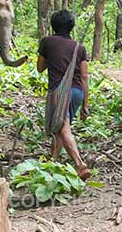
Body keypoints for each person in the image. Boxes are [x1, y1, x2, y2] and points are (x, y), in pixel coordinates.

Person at [37, 10, 91, 180]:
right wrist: (85, 105)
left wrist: (51, 58)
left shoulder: (47, 42)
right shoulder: (79, 47)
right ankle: (52, 162)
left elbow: (40, 68)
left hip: (59, 92)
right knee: (60, 129)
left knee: (63, 127)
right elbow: (84, 76)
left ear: (53, 25)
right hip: (77, 93)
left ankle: (79, 163)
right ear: (71, 26)